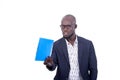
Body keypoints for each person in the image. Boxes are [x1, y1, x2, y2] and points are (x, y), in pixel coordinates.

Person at [44, 14, 98, 80]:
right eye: (62, 27)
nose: (65, 29)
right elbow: (53, 66)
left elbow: (93, 69)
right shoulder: (57, 45)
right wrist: (50, 64)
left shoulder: (87, 44)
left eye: (68, 26)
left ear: (75, 26)